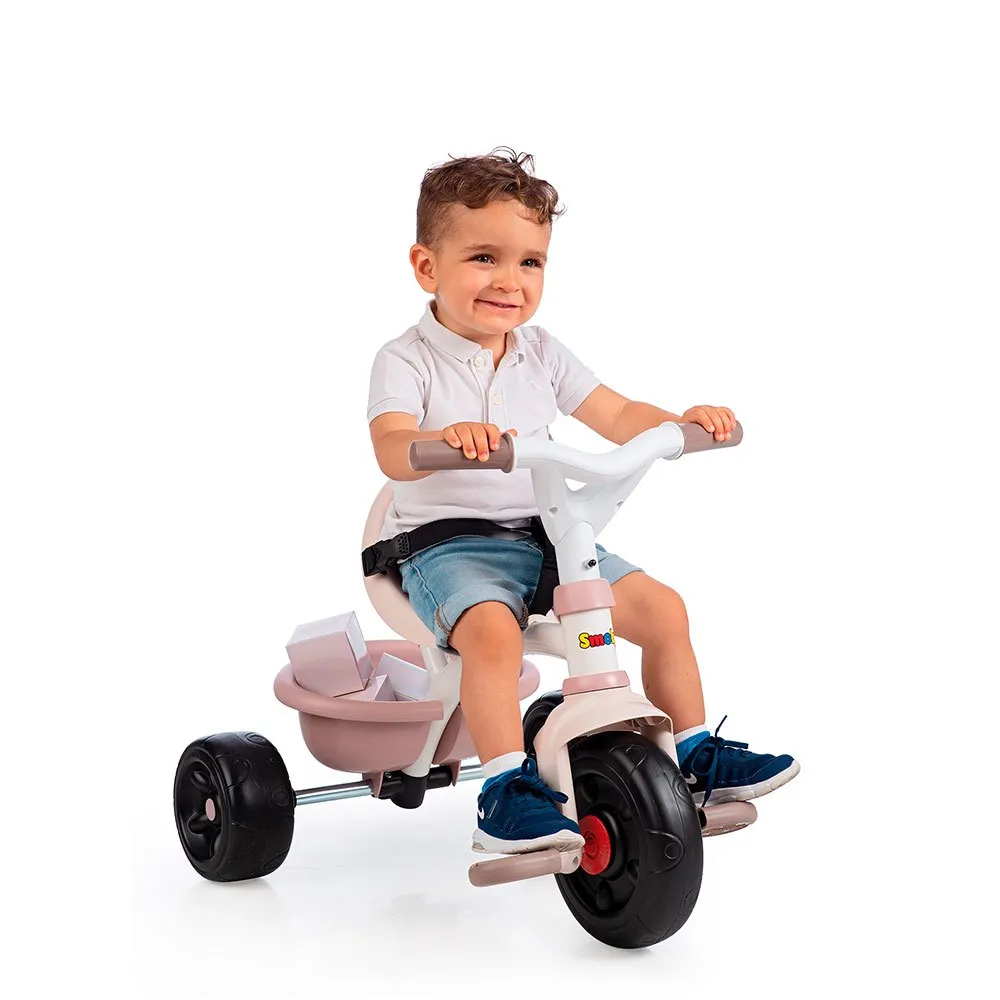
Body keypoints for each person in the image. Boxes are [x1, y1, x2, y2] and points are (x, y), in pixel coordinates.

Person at [366, 148, 799, 855]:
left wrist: (679, 423)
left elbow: (618, 414)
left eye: (529, 262)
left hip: (547, 535)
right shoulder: (405, 359)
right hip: (447, 546)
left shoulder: (540, 352)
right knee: (493, 635)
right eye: (483, 257)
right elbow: (391, 446)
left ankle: (693, 751)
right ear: (426, 267)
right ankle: (503, 787)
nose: (509, 280)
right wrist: (445, 438)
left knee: (664, 610)